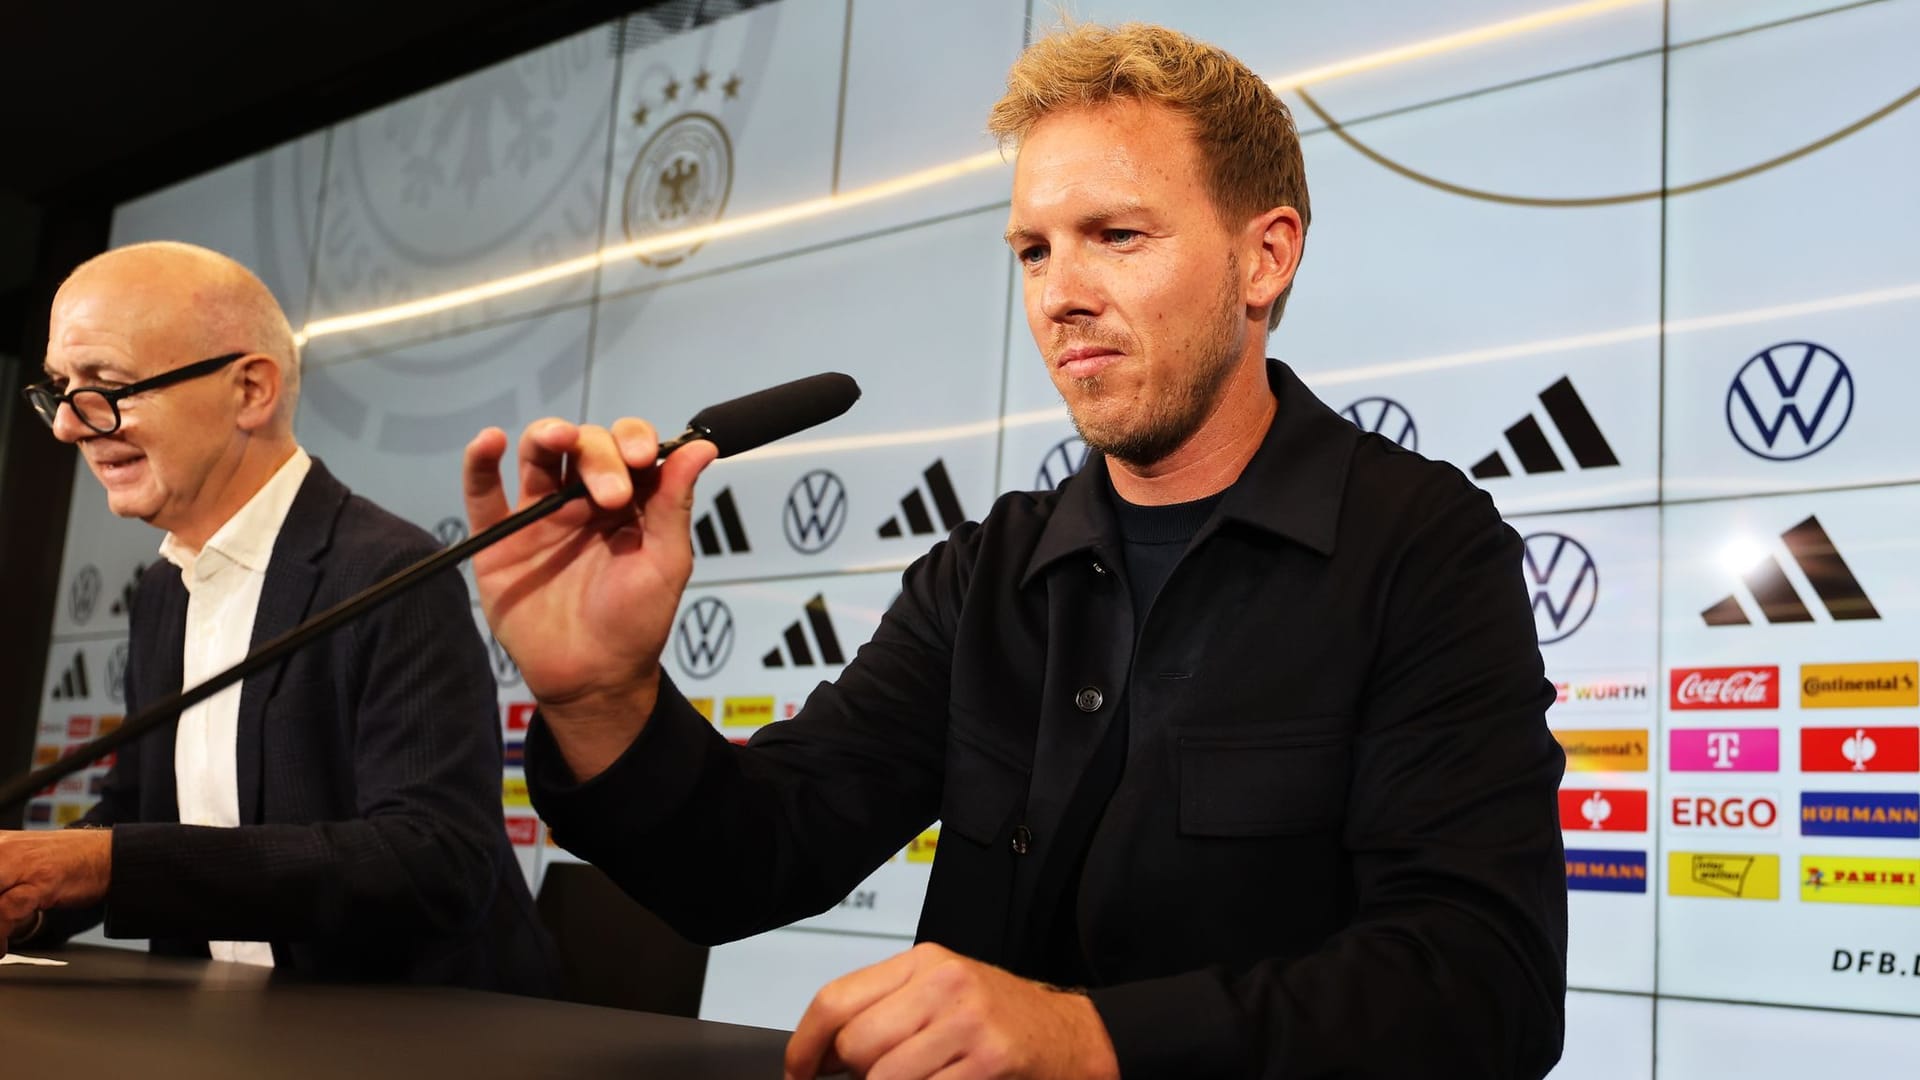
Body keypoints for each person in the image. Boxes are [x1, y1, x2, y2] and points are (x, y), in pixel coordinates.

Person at [464, 22, 1566, 1077]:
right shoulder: (983, 575)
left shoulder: (1424, 550)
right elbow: (756, 857)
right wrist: (603, 698)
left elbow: (1482, 987)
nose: (1060, 297)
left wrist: (1092, 1040)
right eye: (1033, 251)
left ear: (1263, 259)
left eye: (1117, 237)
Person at [1, 241, 557, 995]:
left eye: (107, 386)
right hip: (218, 1025)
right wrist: (25, 897)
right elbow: (139, 808)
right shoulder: (165, 589)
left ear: (250, 391)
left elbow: (433, 859)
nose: (68, 427)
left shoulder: (390, 571)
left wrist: (102, 865)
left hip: (410, 1033)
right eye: (60, 390)